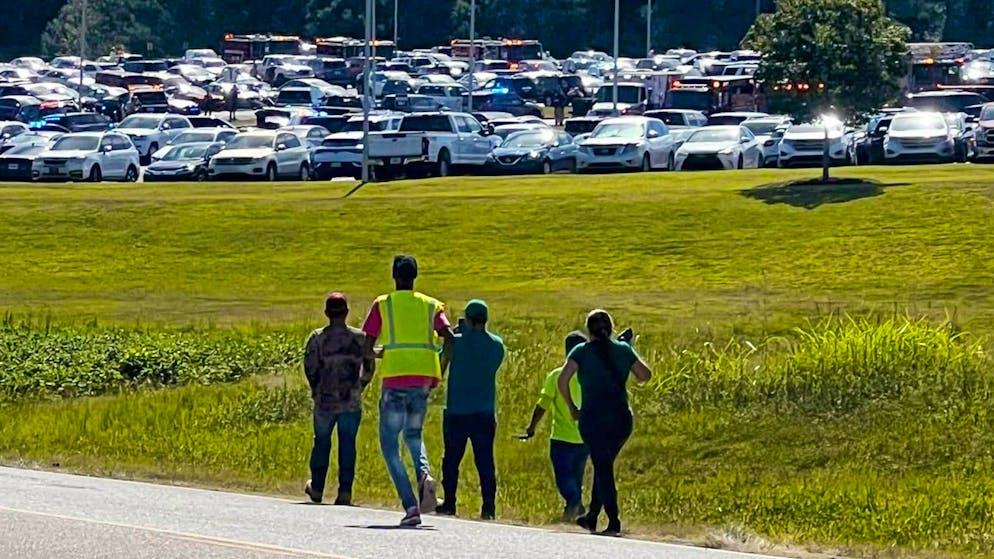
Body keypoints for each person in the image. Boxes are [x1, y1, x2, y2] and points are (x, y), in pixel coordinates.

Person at [363, 255, 455, 527]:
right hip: (423, 378)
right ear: (415, 276)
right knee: (414, 434)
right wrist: (440, 367)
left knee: (390, 445)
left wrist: (381, 354)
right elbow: (449, 337)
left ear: (394, 275)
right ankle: (424, 474)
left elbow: (366, 345)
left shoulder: (383, 304)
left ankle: (411, 505)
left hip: (395, 379)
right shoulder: (431, 305)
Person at [558, 310, 652, 537]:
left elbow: (563, 380)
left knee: (603, 467)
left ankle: (613, 521)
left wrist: (572, 407)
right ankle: (592, 516)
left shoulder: (580, 351)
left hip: (593, 418)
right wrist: (627, 350)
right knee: (604, 465)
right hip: (621, 418)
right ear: (610, 328)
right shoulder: (623, 349)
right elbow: (644, 375)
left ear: (589, 330)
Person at [303, 292, 374, 506]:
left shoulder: (317, 338)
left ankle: (317, 487)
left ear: (326, 313)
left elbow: (310, 368)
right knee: (348, 445)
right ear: (346, 312)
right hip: (350, 401)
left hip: (324, 401)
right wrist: (360, 386)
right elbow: (369, 367)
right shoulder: (360, 338)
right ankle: (345, 491)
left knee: (321, 442)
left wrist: (316, 388)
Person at [437, 300, 506, 520]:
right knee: (485, 462)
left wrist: (458, 336)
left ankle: (449, 503)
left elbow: (440, 365)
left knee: (451, 460)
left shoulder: (455, 343)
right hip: (484, 411)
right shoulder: (497, 345)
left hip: (457, 410)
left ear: (467, 319)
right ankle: (488, 508)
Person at [521, 331, 589, 520]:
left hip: (561, 437)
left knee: (563, 477)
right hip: (585, 438)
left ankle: (574, 502)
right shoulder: (590, 377)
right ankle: (573, 509)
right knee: (576, 476)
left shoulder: (557, 375)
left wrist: (532, 427)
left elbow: (542, 405)